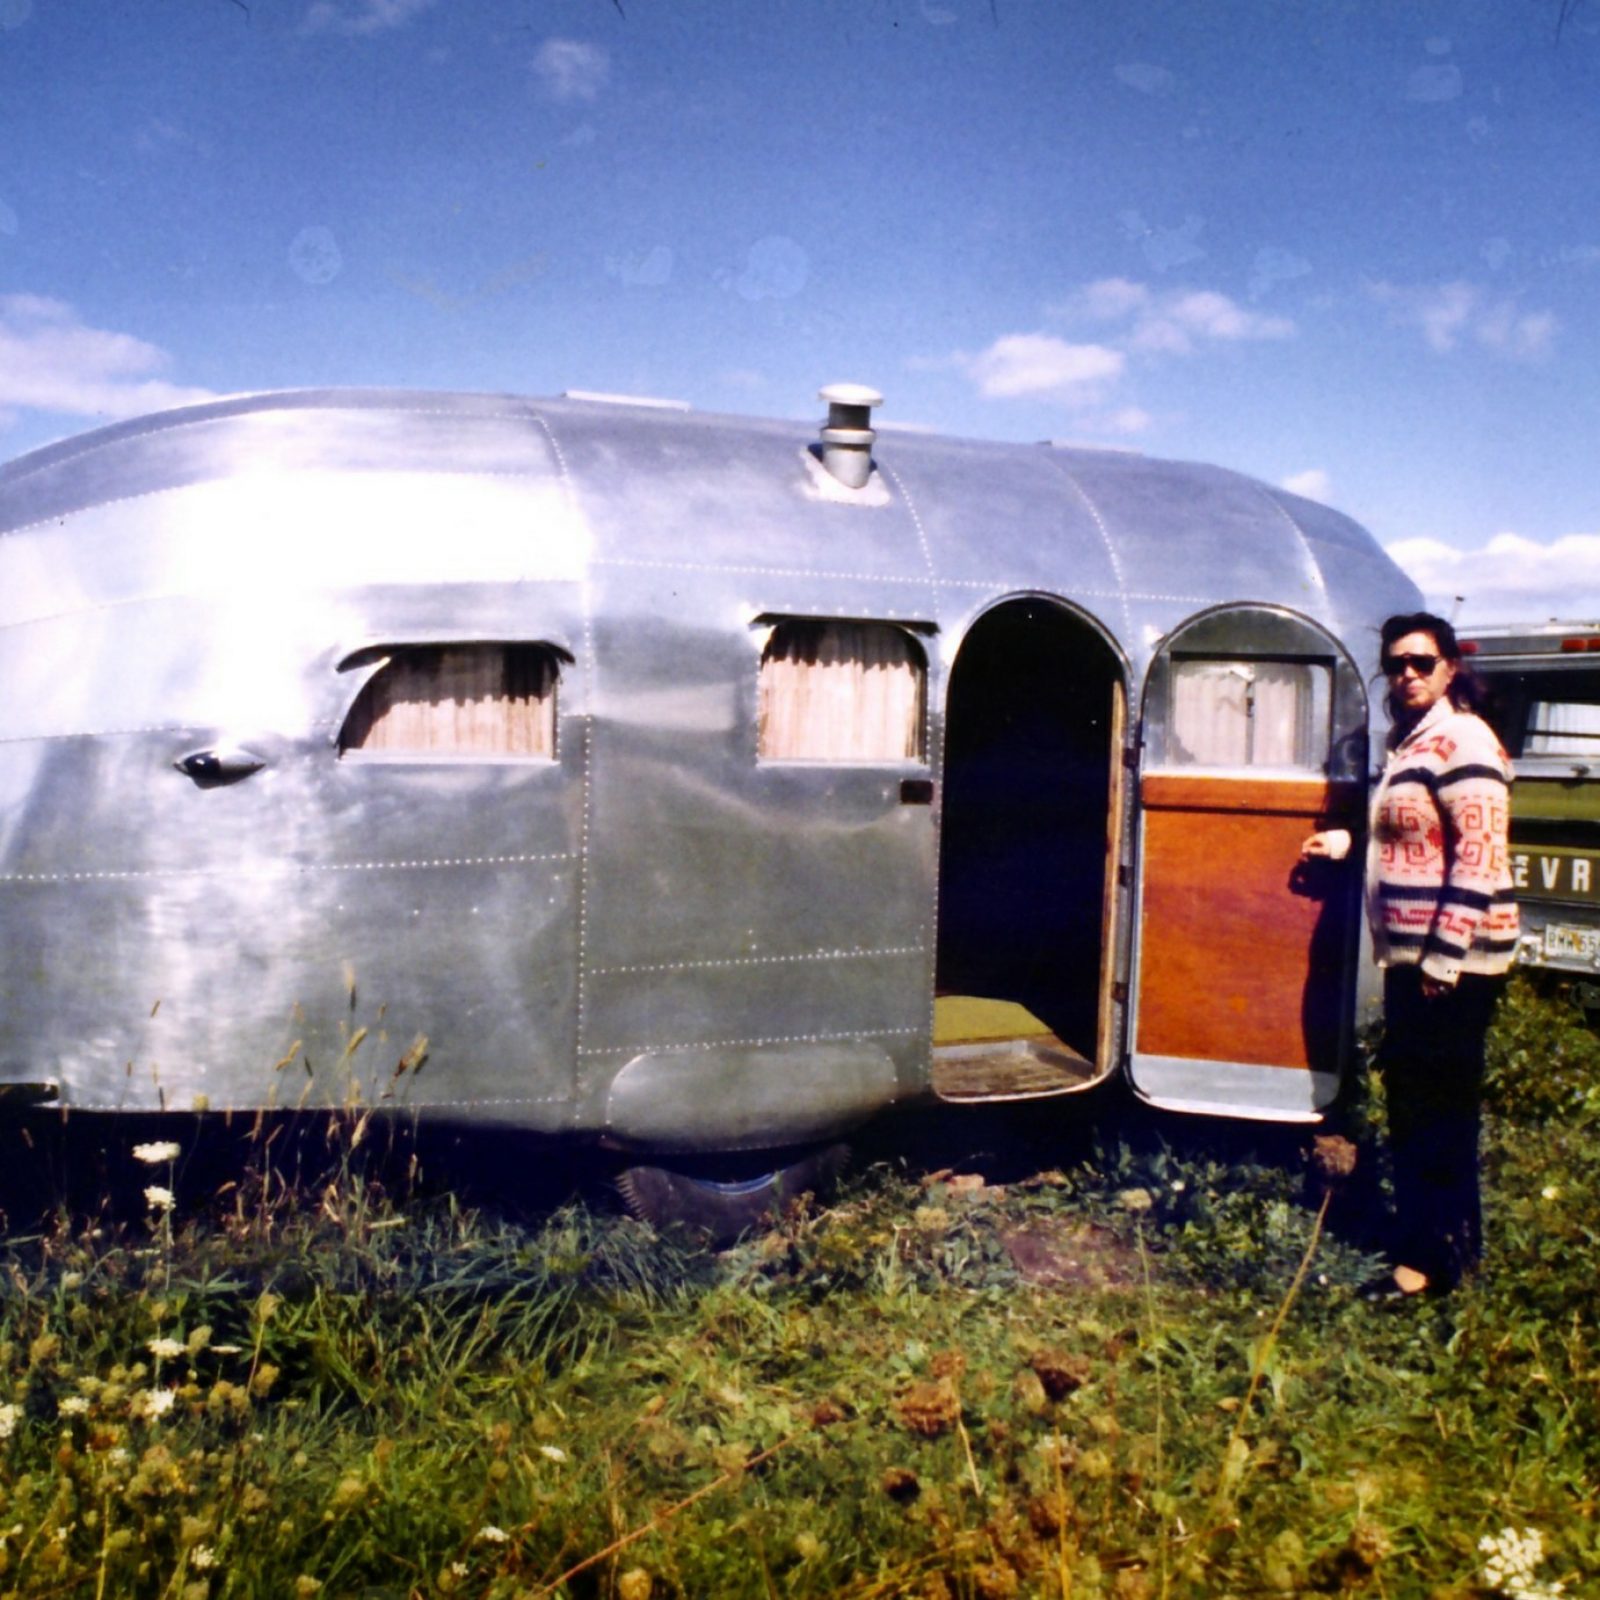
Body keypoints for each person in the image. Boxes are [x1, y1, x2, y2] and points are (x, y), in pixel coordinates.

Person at [1303, 612, 1518, 1299]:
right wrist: (1347, 844)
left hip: (1454, 964)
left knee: (1432, 1113)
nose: (1407, 674)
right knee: (1419, 1106)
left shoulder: (1464, 739)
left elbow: (1479, 854)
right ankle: (1448, 1249)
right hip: (1420, 960)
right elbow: (1411, 836)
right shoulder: (1414, 741)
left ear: (1449, 668)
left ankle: (1429, 1265)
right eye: (1396, 663)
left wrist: (1443, 959)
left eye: (1422, 662)